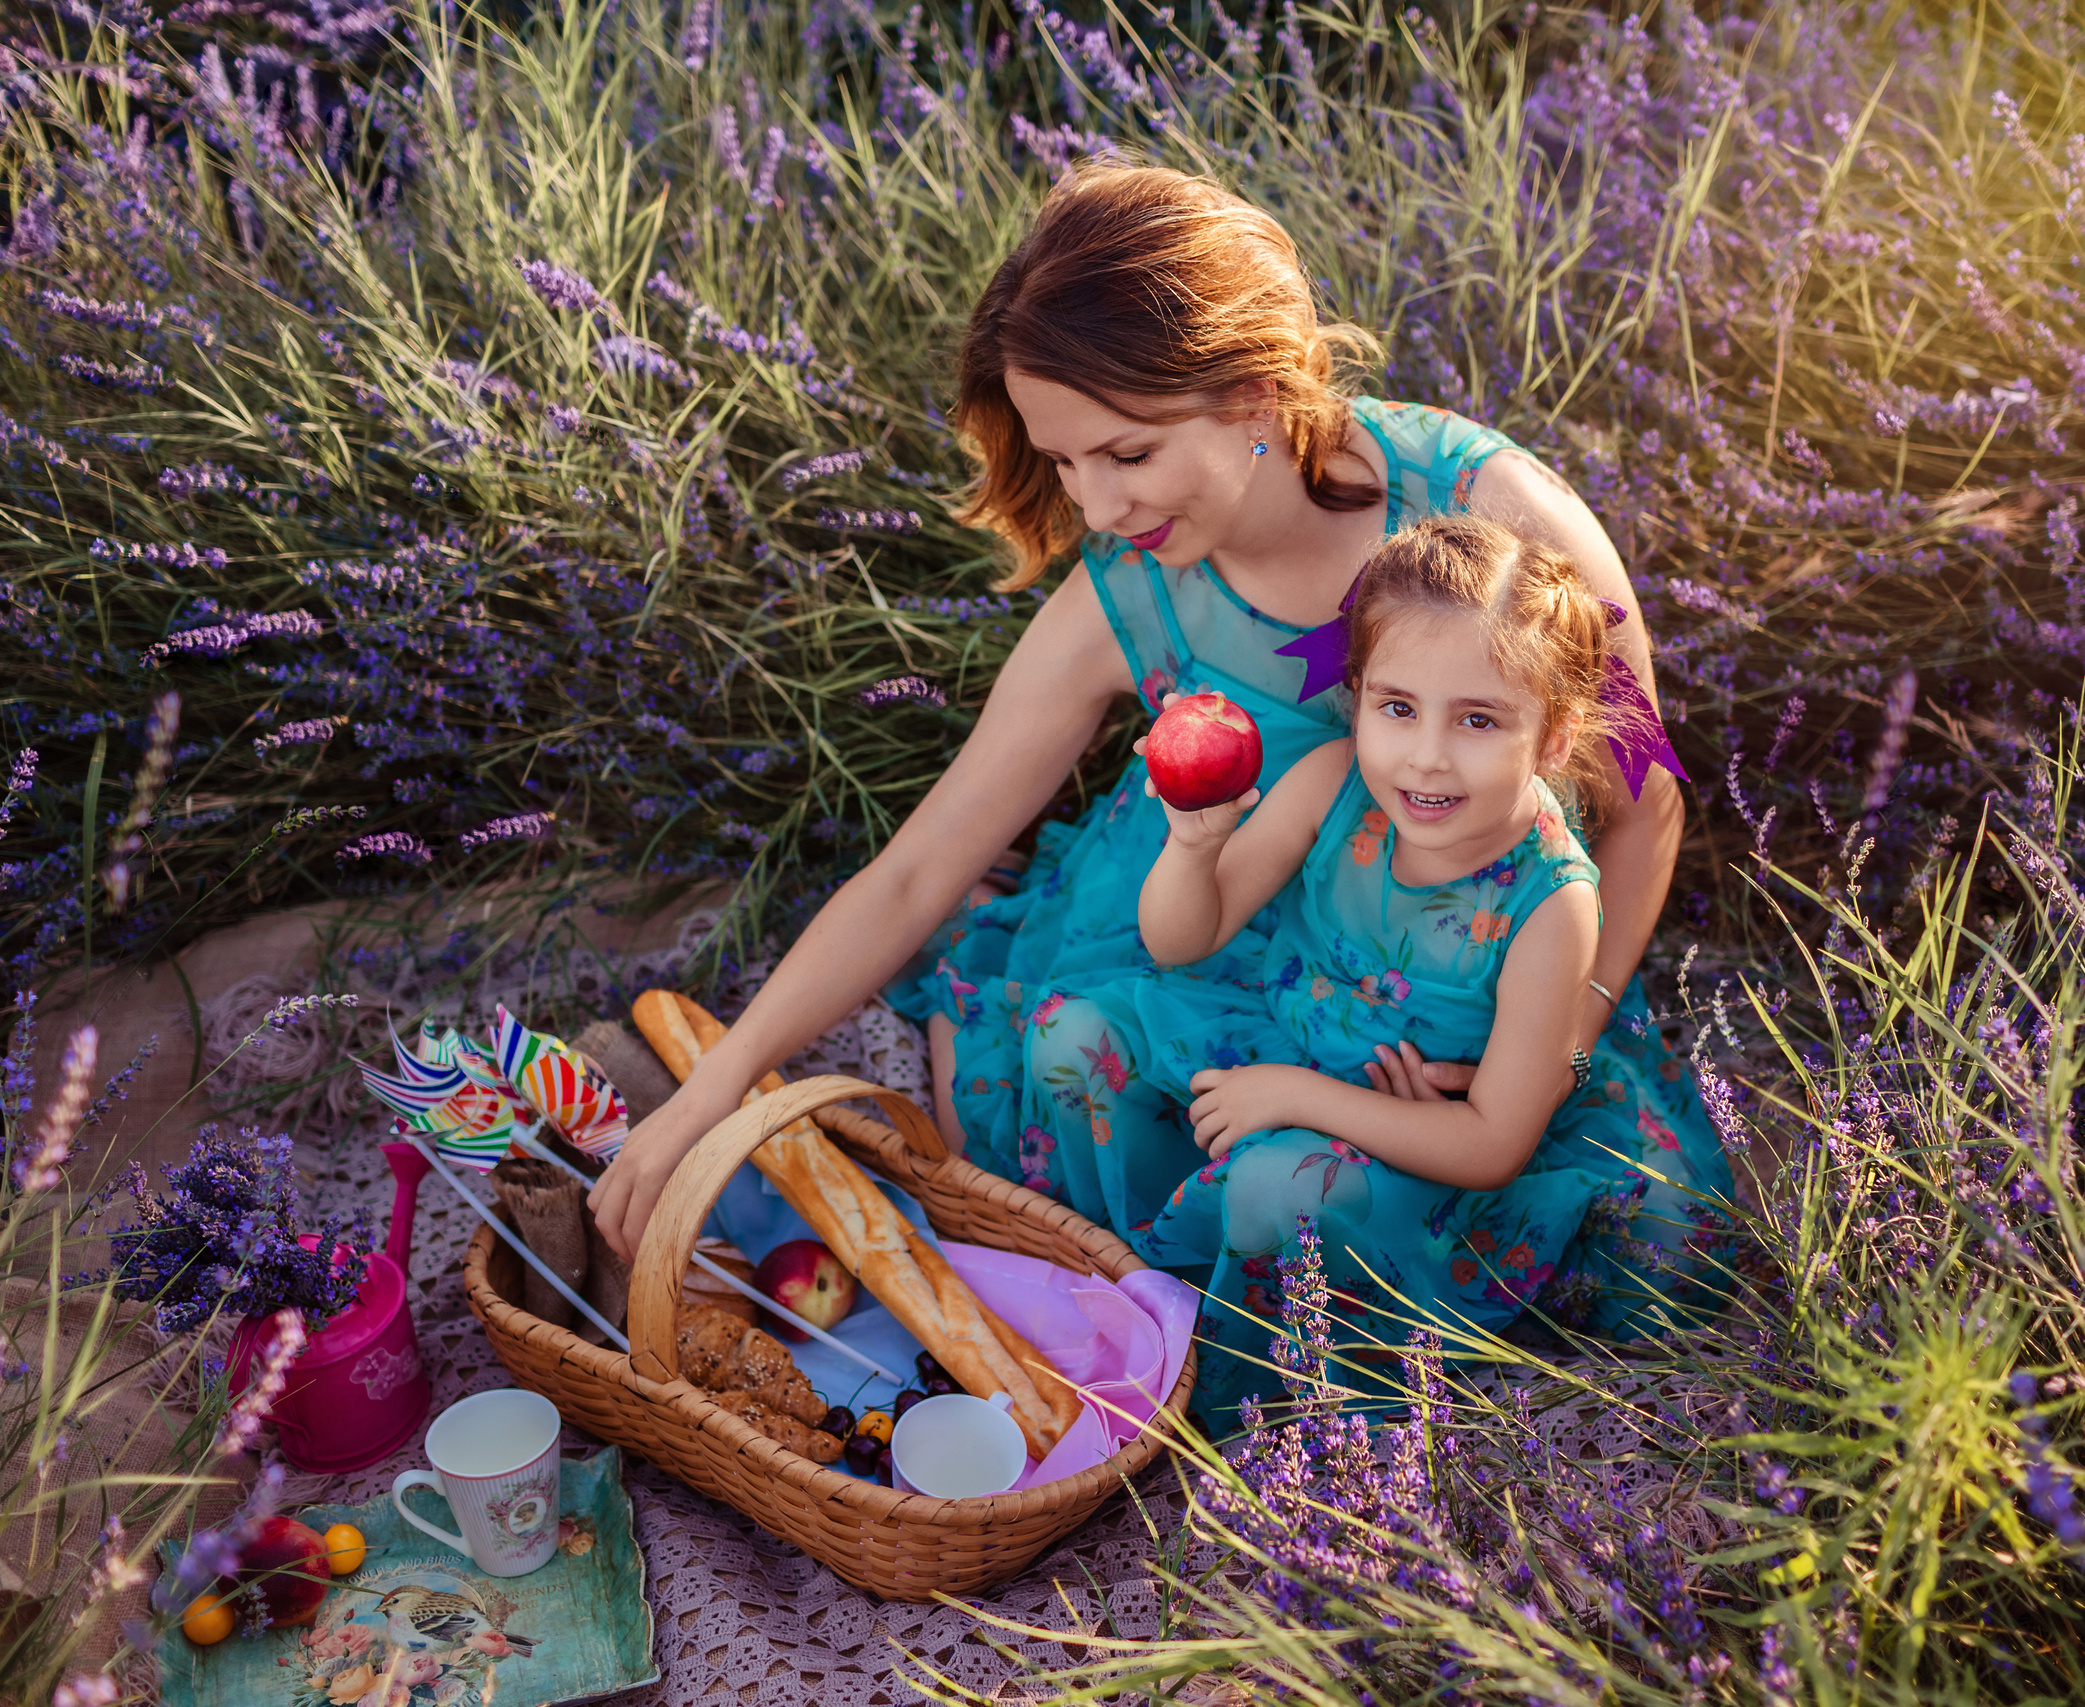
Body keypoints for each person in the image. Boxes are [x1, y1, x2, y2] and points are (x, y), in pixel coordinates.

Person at [589, 165, 1725, 1370]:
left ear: (1252, 390)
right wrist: (707, 1100)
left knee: (1610, 1222)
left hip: (1447, 940)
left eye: (1125, 453)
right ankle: (1169, 1322)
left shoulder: (1491, 519)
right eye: (1064, 463)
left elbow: (1643, 813)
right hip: (1211, 924)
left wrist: (1550, 1050)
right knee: (1068, 1059)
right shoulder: (1127, 589)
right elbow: (921, 869)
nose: (1095, 505)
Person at [1018, 514, 1722, 1421]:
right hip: (1279, 1031)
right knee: (1069, 1038)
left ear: (1555, 736)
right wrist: (1194, 850)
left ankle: (1259, 1386)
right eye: (1397, 706)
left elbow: (1494, 1142)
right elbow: (1181, 941)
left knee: (1279, 1185)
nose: (1425, 754)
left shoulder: (1551, 902)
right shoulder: (1333, 780)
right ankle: (1146, 1278)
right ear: (1356, 696)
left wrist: (1292, 1097)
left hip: (1420, 1132)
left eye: (1478, 719)